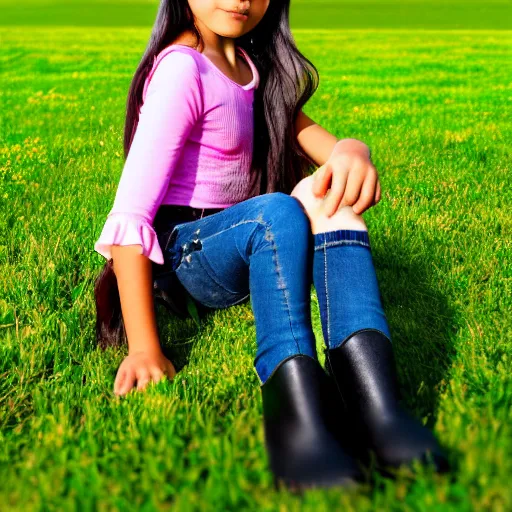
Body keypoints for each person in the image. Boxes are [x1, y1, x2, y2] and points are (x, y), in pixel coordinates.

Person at [93, 0, 448, 490]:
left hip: (246, 239)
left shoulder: (251, 69)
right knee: (278, 210)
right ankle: (297, 422)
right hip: (191, 255)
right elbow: (131, 214)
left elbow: (323, 143)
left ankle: (376, 406)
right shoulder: (182, 69)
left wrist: (352, 152)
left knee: (332, 201)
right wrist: (144, 349)